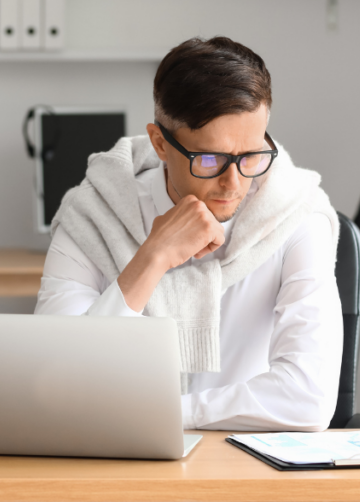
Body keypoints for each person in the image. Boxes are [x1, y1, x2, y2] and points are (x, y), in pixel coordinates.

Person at [35, 36, 343, 432]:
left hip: (240, 454)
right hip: (114, 452)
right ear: (160, 144)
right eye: (211, 159)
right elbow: (55, 381)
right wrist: (152, 258)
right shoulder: (92, 214)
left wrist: (163, 413)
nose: (234, 183)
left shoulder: (297, 216)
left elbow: (308, 399)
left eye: (251, 156)